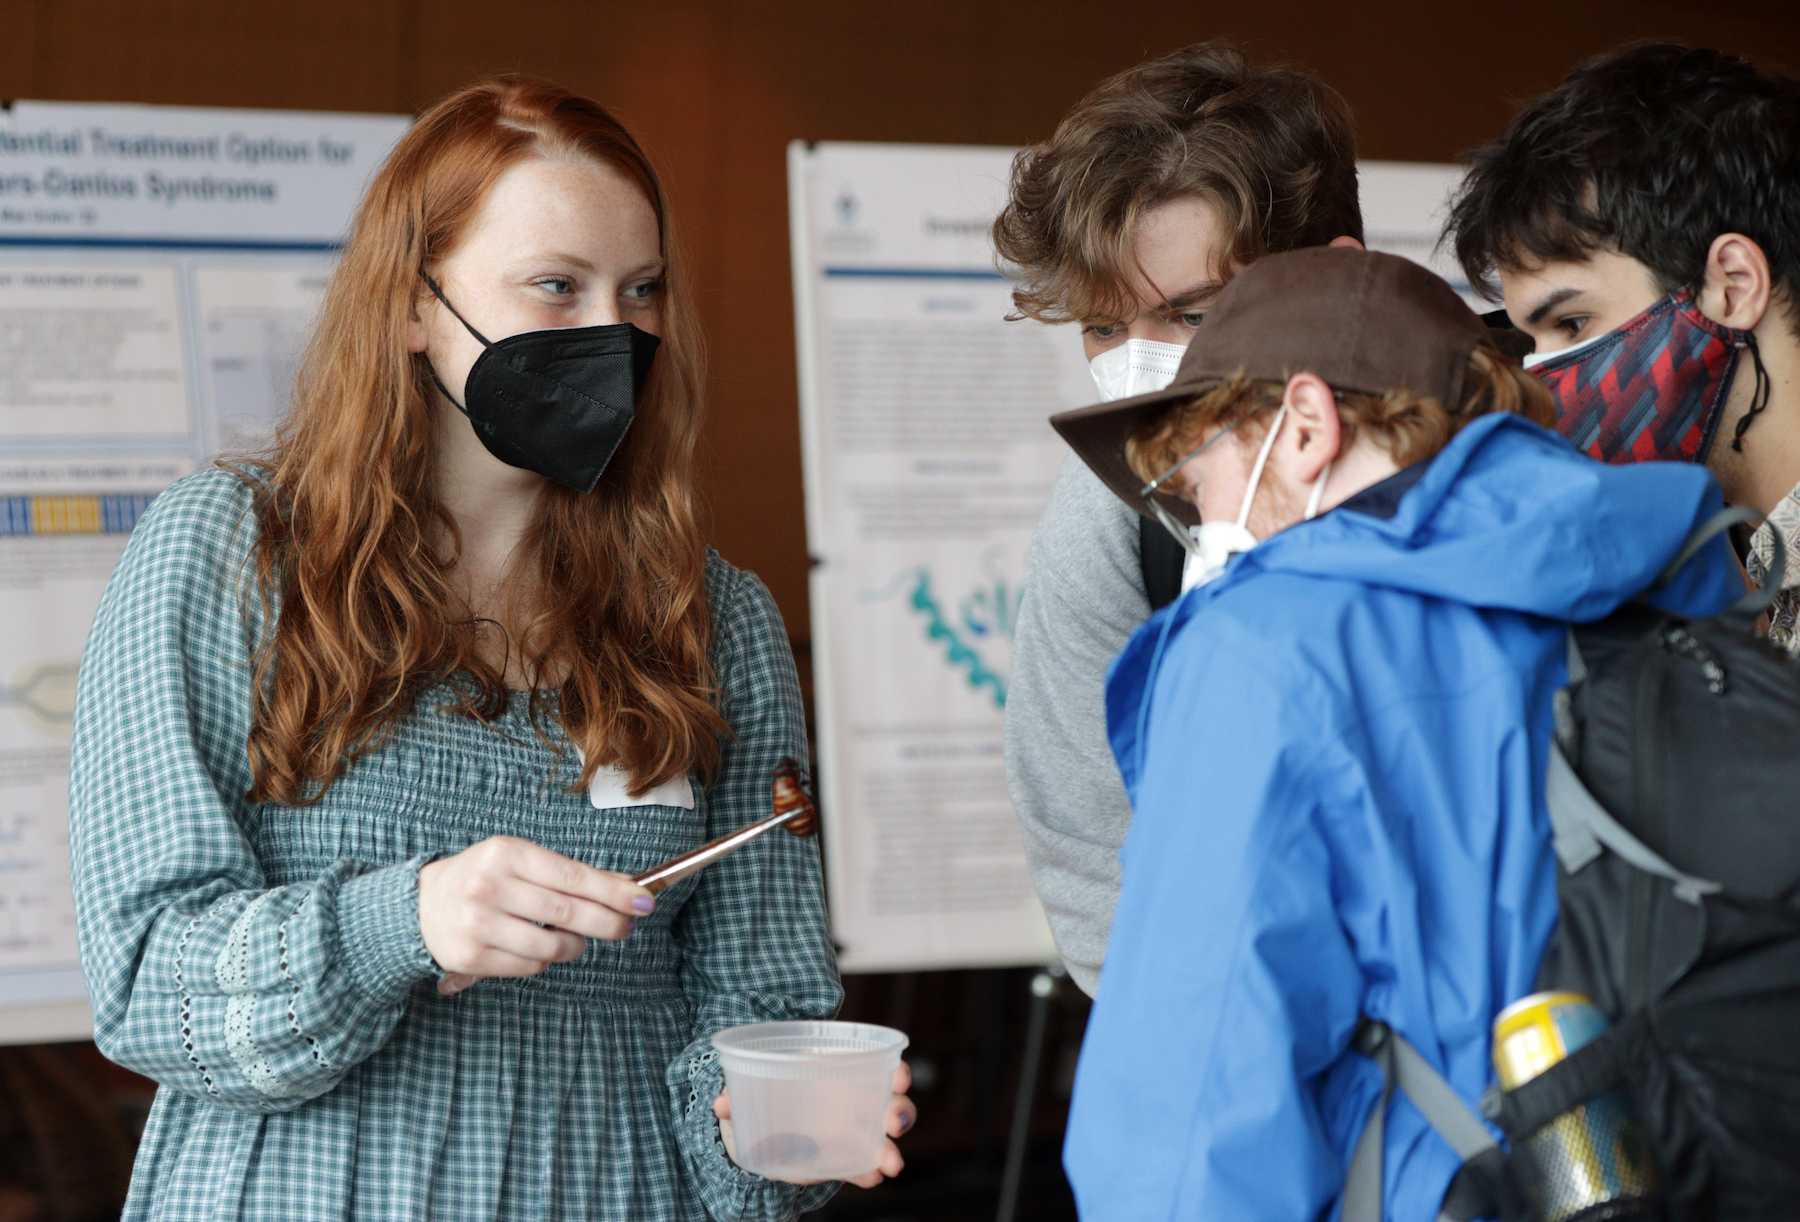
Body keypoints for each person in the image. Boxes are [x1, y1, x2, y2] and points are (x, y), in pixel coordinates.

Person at [68, 76, 911, 1221]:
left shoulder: (712, 620)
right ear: (414, 305)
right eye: (556, 287)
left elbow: (754, 1016)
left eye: (642, 290)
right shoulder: (232, 556)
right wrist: (401, 923)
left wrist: (774, 1131)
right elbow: (144, 989)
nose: (611, 331)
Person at [1048, 248, 1742, 1218]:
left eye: (1190, 480)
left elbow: (1190, 1112)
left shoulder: (1264, 649)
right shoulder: (1674, 573)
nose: (1193, 522)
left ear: (1303, 426)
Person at [991, 42, 1364, 993]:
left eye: (1193, 318)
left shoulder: (1492, 462)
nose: (1142, 367)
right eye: (1106, 328)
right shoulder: (1106, 513)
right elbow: (1089, 851)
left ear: (1335, 278)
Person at [1445, 42, 1800, 648]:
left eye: (1574, 325)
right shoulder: (1747, 576)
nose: (1542, 378)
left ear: (1734, 287)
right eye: (1532, 342)